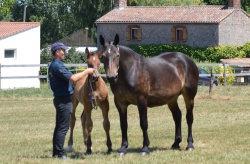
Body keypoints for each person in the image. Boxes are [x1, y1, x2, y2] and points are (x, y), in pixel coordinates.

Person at [49, 42, 97, 159]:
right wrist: (88, 71)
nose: (65, 52)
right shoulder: (58, 66)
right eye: (63, 50)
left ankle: (56, 152)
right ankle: (60, 154)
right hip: (64, 100)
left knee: (59, 126)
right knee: (63, 127)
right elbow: (73, 78)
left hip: (60, 98)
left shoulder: (54, 65)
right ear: (57, 52)